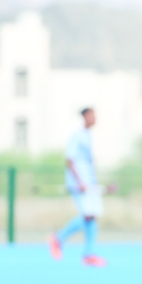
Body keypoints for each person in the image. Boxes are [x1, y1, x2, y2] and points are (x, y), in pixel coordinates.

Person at [48, 107, 107, 267]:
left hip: (89, 182)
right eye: (92, 115)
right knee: (88, 213)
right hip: (79, 183)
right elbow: (69, 159)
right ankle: (58, 239)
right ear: (85, 116)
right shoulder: (78, 135)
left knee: (92, 215)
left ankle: (89, 253)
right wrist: (79, 181)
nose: (95, 118)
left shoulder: (88, 136)